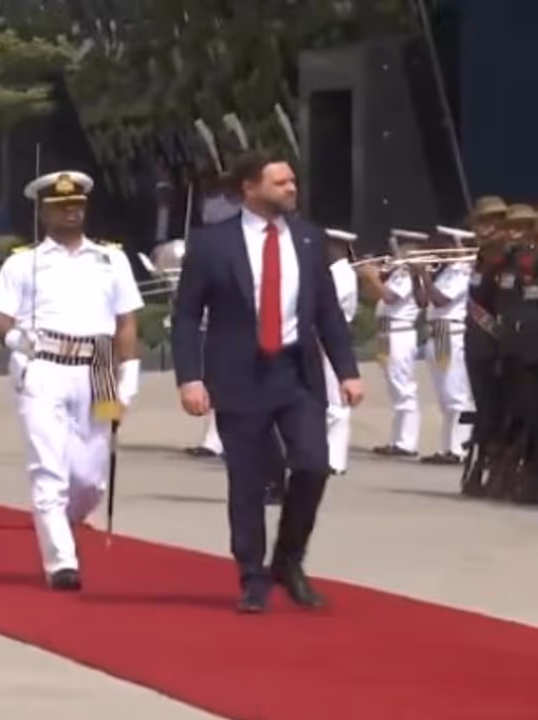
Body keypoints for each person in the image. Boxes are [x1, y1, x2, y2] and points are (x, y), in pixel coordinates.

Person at [170, 149, 363, 614]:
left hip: (295, 372)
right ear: (249, 189)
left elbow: (327, 313)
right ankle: (252, 576)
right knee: (248, 480)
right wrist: (190, 378)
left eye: (293, 181)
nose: (291, 189)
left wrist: (348, 370)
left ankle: (288, 559)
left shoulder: (309, 240)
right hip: (239, 374)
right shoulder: (213, 243)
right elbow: (186, 314)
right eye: (280, 183)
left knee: (314, 464)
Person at [0, 171, 144, 592]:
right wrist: (14, 336)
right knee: (49, 468)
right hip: (44, 366)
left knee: (92, 478)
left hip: (102, 365)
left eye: (76, 204)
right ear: (43, 210)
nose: (70, 211)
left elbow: (127, 320)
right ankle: (61, 562)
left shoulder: (112, 258)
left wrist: (130, 375)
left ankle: (57, 518)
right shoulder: (24, 261)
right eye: (60, 205)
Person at [359, 229, 429, 458]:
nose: (397, 251)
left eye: (403, 248)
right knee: (394, 387)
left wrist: (370, 276)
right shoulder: (400, 273)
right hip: (386, 333)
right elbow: (376, 296)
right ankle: (398, 439)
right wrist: (370, 278)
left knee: (403, 387)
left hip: (398, 333)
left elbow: (390, 297)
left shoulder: (412, 275)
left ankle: (406, 442)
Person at [417, 226, 476, 465]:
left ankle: (459, 448)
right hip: (437, 331)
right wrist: (416, 276)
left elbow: (441, 300)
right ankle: (448, 447)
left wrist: (425, 275)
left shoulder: (463, 272)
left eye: (445, 245)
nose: (439, 251)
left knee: (455, 393)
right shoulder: (448, 272)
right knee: (444, 395)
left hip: (449, 331)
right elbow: (422, 302)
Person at [324, 228, 360, 474]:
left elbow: (327, 306)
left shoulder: (343, 274)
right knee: (326, 401)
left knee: (336, 402)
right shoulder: (331, 273)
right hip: (322, 338)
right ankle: (327, 455)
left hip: (334, 338)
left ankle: (336, 460)